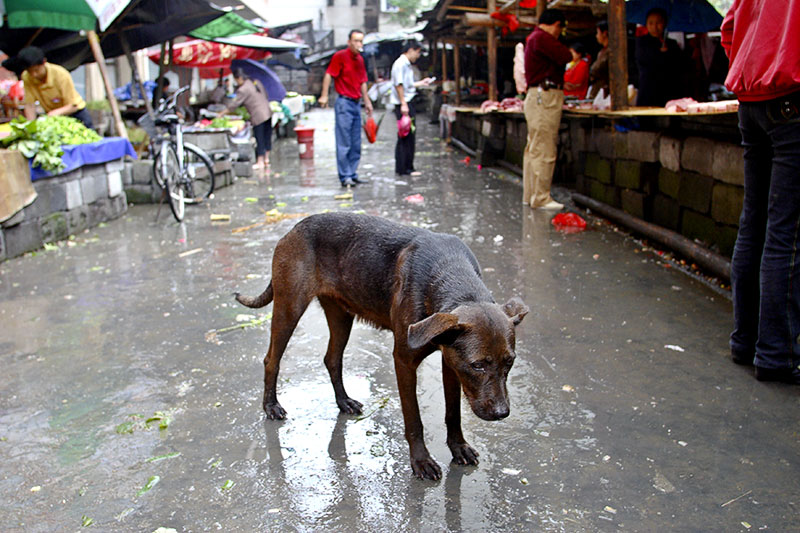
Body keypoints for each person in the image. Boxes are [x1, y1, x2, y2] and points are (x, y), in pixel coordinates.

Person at [722, 1, 800, 384]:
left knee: (754, 221)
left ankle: (745, 341)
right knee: (786, 229)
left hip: (750, 101)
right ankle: (776, 354)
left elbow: (729, 29)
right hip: (791, 97)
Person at [522, 8, 572, 210]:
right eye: (561, 28)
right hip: (545, 97)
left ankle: (531, 195)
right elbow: (565, 55)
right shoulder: (541, 37)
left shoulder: (534, 38)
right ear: (556, 24)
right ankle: (541, 197)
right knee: (544, 148)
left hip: (537, 96)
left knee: (533, 148)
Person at [319, 29, 374, 187]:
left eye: (361, 41)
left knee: (356, 142)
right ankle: (345, 176)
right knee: (344, 142)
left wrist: (367, 101)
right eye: (356, 41)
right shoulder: (340, 56)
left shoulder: (360, 60)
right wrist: (324, 95)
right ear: (349, 42)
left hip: (356, 103)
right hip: (344, 102)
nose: (359, 44)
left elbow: (363, 82)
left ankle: (353, 172)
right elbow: (329, 74)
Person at [14, 46, 92, 128]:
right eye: (30, 71)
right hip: (53, 116)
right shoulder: (26, 76)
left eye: (36, 70)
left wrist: (51, 114)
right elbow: (30, 105)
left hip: (76, 114)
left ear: (44, 62)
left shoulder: (60, 74)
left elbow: (73, 106)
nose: (34, 74)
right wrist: (31, 127)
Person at [390, 40, 434, 176]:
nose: (418, 56)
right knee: (406, 136)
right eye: (418, 52)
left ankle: (406, 167)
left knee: (408, 135)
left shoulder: (406, 65)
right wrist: (403, 103)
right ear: (410, 50)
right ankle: (405, 169)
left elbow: (408, 85)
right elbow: (399, 85)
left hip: (406, 102)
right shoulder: (400, 63)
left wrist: (421, 83)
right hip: (404, 104)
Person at [634, 8, 685, 107]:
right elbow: (645, 60)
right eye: (651, 23)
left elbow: (679, 65)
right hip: (648, 89)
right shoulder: (641, 42)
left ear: (665, 23)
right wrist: (660, 54)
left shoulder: (671, 44)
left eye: (658, 23)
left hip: (669, 90)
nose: (654, 27)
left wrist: (668, 53)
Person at [224, 69, 272, 170]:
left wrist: (221, 114)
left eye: (236, 80)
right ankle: (266, 159)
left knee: (260, 138)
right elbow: (266, 95)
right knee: (267, 136)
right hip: (267, 111)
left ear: (240, 78)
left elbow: (234, 105)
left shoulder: (243, 89)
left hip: (258, 115)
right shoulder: (255, 82)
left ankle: (260, 162)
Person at [588, 21, 609, 100]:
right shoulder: (602, 52)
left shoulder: (610, 51)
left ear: (604, 33)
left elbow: (596, 69)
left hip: (604, 90)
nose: (596, 36)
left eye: (598, 33)